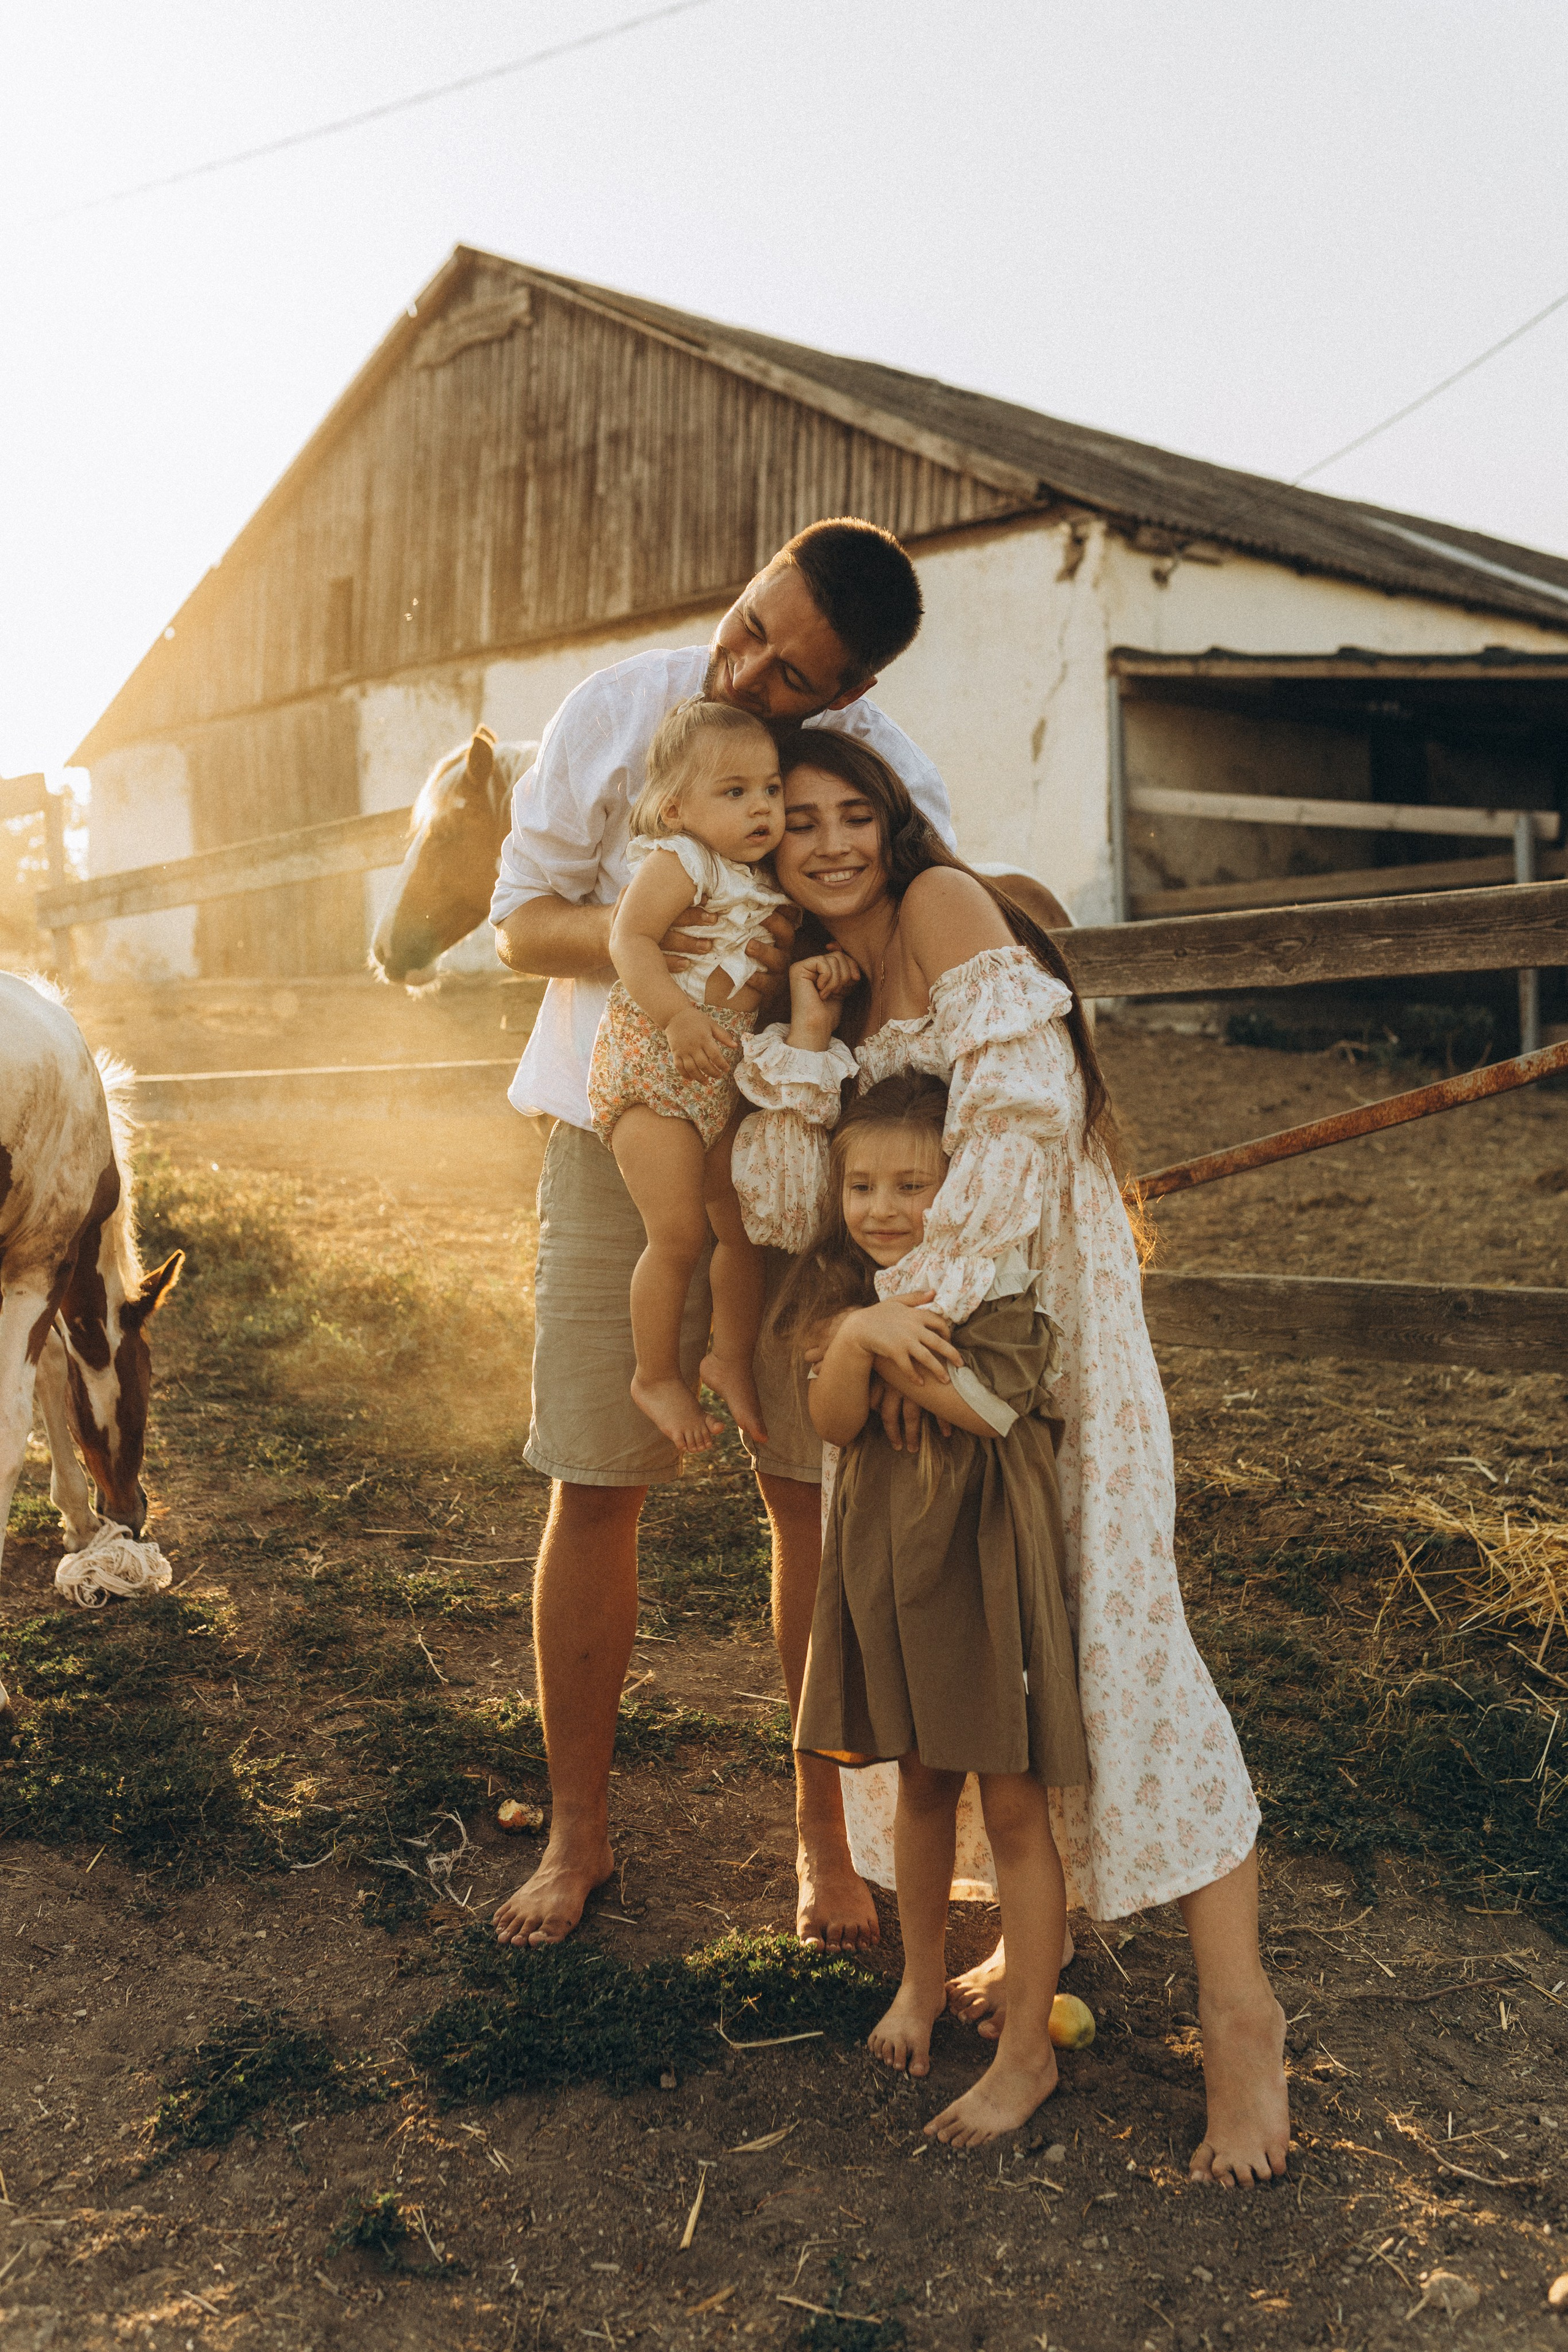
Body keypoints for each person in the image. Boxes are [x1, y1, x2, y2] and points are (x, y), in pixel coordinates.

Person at [731, 730, 1291, 2188]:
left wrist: (915, 1319)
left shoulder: (937, 907)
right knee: (974, 1644)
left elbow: (1026, 1111)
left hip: (1029, 1318)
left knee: (1112, 1632)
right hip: (909, 1333)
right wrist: (800, 1037)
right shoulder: (828, 979)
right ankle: (1015, 1941)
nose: (834, 841)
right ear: (765, 847)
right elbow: (791, 1196)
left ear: (895, 817)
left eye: (857, 811)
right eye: (799, 822)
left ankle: (1240, 2020)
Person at [488, 517, 954, 1953]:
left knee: (810, 1485)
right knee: (596, 1470)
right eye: (749, 623)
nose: (743, 664)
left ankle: (821, 1834)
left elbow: (916, 947)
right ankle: (578, 1826)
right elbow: (518, 922)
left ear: (845, 695)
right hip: (614, 1127)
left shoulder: (882, 781)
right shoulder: (621, 710)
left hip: (793, 1159)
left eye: (789, 669)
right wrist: (687, 952)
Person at [778, 1069, 1088, 2146]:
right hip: (896, 1574)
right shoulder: (844, 1297)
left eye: (913, 1183)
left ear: (961, 1187)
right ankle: (919, 1980)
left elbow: (989, 1408)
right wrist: (857, 1338)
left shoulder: (996, 1291)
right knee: (919, 1787)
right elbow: (827, 1419)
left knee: (1011, 1807)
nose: (884, 1207)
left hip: (984, 1568)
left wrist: (877, 1355)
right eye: (860, 1184)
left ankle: (1026, 2049)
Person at [587, 697, 790, 1455]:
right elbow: (629, 940)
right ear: (676, 808)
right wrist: (675, 1016)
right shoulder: (682, 862)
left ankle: (726, 1356)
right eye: (733, 792)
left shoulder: (766, 875)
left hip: (722, 1067)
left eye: (770, 789)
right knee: (675, 1236)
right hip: (656, 1063)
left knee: (737, 1231)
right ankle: (655, 1374)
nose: (761, 807)